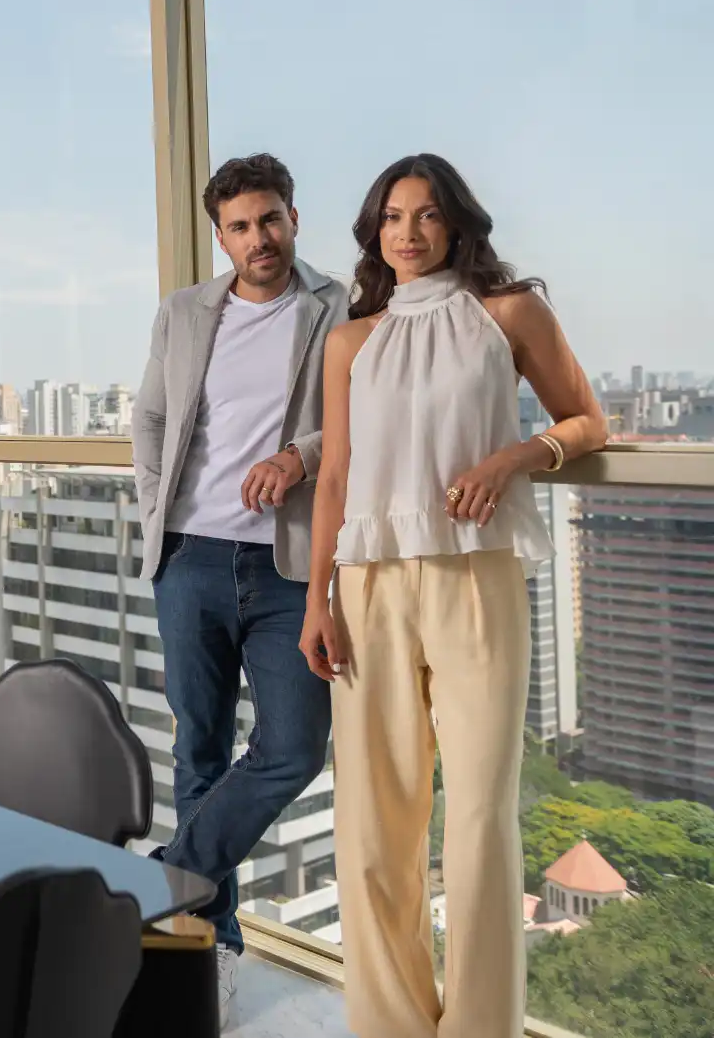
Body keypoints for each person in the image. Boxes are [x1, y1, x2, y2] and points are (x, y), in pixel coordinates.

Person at [300, 154, 605, 1038]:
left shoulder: (508, 313)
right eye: (392, 216)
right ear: (373, 231)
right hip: (369, 587)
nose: (407, 232)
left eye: (426, 215)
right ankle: (391, 1025)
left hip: (478, 574)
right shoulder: (352, 339)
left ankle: (479, 1028)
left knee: (477, 820)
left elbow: (586, 418)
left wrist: (516, 457)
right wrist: (318, 600)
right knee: (371, 824)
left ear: (457, 224)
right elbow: (336, 482)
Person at [132, 153, 348, 1020]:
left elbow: (368, 413)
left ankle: (162, 881)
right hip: (190, 557)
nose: (258, 238)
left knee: (293, 747)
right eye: (240, 226)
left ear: (294, 217)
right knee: (200, 749)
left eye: (270, 219)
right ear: (220, 235)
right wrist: (160, 512)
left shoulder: (337, 307)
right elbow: (151, 414)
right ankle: (209, 944)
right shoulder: (185, 312)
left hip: (289, 565)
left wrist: (302, 455)